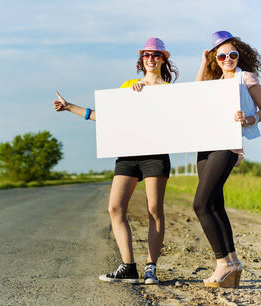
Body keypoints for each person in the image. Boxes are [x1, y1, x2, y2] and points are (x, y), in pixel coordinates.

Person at [53, 38, 178, 284]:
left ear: (163, 59)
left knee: (154, 210)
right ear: (141, 59)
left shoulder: (170, 90)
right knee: (114, 208)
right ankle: (128, 267)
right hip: (128, 153)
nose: (150, 59)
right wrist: (70, 107)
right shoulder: (129, 86)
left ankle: (151, 268)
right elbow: (109, 117)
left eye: (156, 55)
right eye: (146, 55)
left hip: (155, 153)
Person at [194, 30, 261, 288]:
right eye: (222, 55)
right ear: (216, 58)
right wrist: (204, 64)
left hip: (227, 145)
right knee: (215, 205)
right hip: (204, 145)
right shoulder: (212, 81)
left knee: (201, 205)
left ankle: (222, 264)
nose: (228, 59)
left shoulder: (245, 77)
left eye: (233, 55)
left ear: (239, 56)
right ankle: (234, 262)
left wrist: (247, 120)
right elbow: (193, 96)